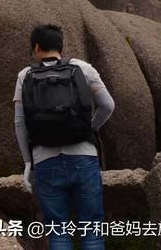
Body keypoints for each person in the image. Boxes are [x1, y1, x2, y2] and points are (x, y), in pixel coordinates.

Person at [13, 24, 115, 250]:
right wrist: (89, 128)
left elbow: (20, 122)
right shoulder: (84, 68)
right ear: (61, 46)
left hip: (45, 160)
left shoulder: (25, 75)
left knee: (58, 232)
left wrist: (28, 161)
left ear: (36, 47)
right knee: (92, 231)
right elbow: (108, 105)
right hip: (83, 156)